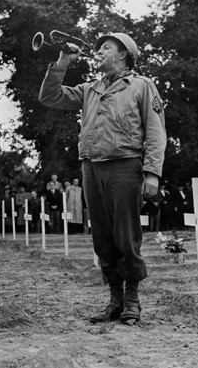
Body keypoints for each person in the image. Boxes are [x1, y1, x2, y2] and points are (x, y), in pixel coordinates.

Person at [39, 32, 166, 324]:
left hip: (126, 165)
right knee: (102, 238)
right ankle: (115, 300)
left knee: (126, 234)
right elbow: (50, 97)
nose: (98, 52)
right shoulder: (90, 89)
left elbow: (156, 132)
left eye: (105, 48)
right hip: (91, 166)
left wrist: (152, 172)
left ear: (123, 54)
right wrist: (62, 62)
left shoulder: (142, 86)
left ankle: (132, 299)